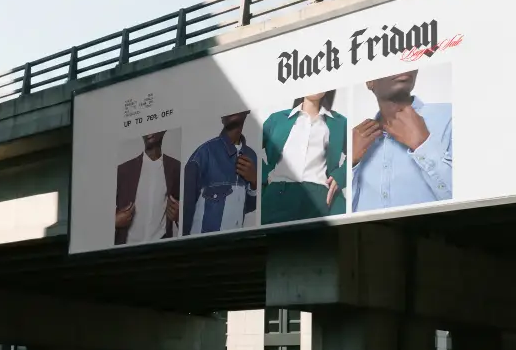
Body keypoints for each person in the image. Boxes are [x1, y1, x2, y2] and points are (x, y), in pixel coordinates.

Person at [351, 70, 452, 212]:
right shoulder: (354, 141)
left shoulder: (451, 116)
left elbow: (472, 203)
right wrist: (349, 166)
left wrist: (423, 145)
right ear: (370, 82)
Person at [261, 91, 346, 225]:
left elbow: (356, 149)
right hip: (278, 193)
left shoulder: (339, 122)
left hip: (319, 196)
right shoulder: (277, 119)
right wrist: (264, 173)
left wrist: (341, 175)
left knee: (318, 245)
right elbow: (251, 145)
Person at [183, 111, 258, 235]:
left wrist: (254, 182)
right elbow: (186, 209)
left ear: (247, 111)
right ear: (222, 117)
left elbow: (249, 207)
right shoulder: (203, 154)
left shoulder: (251, 156)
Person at [115, 130, 180, 245]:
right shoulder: (123, 170)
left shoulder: (176, 168)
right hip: (125, 250)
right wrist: (114, 222)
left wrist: (179, 216)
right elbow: (100, 211)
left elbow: (184, 210)